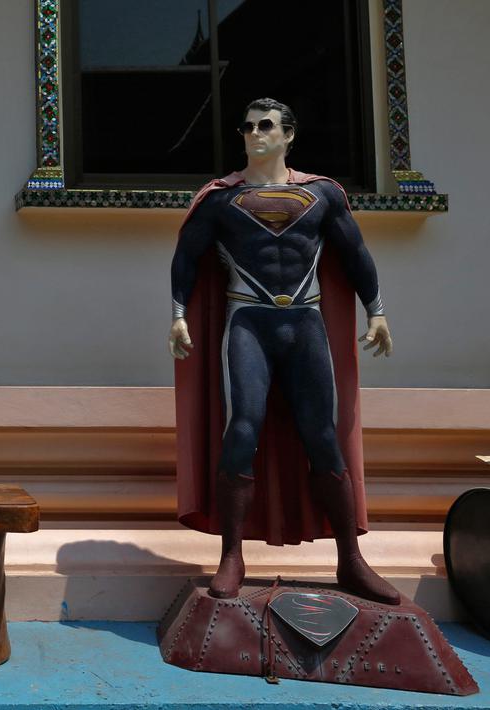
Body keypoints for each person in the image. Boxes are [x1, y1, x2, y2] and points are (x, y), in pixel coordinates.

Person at [168, 98, 400, 605]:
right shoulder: (221, 198)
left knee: (322, 435)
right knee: (242, 427)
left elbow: (355, 253)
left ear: (289, 134)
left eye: (266, 125)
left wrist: (376, 311)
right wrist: (179, 313)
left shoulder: (322, 194)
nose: (255, 133)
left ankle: (351, 560)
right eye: (248, 125)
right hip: (248, 321)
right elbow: (186, 256)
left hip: (305, 322)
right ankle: (232, 556)